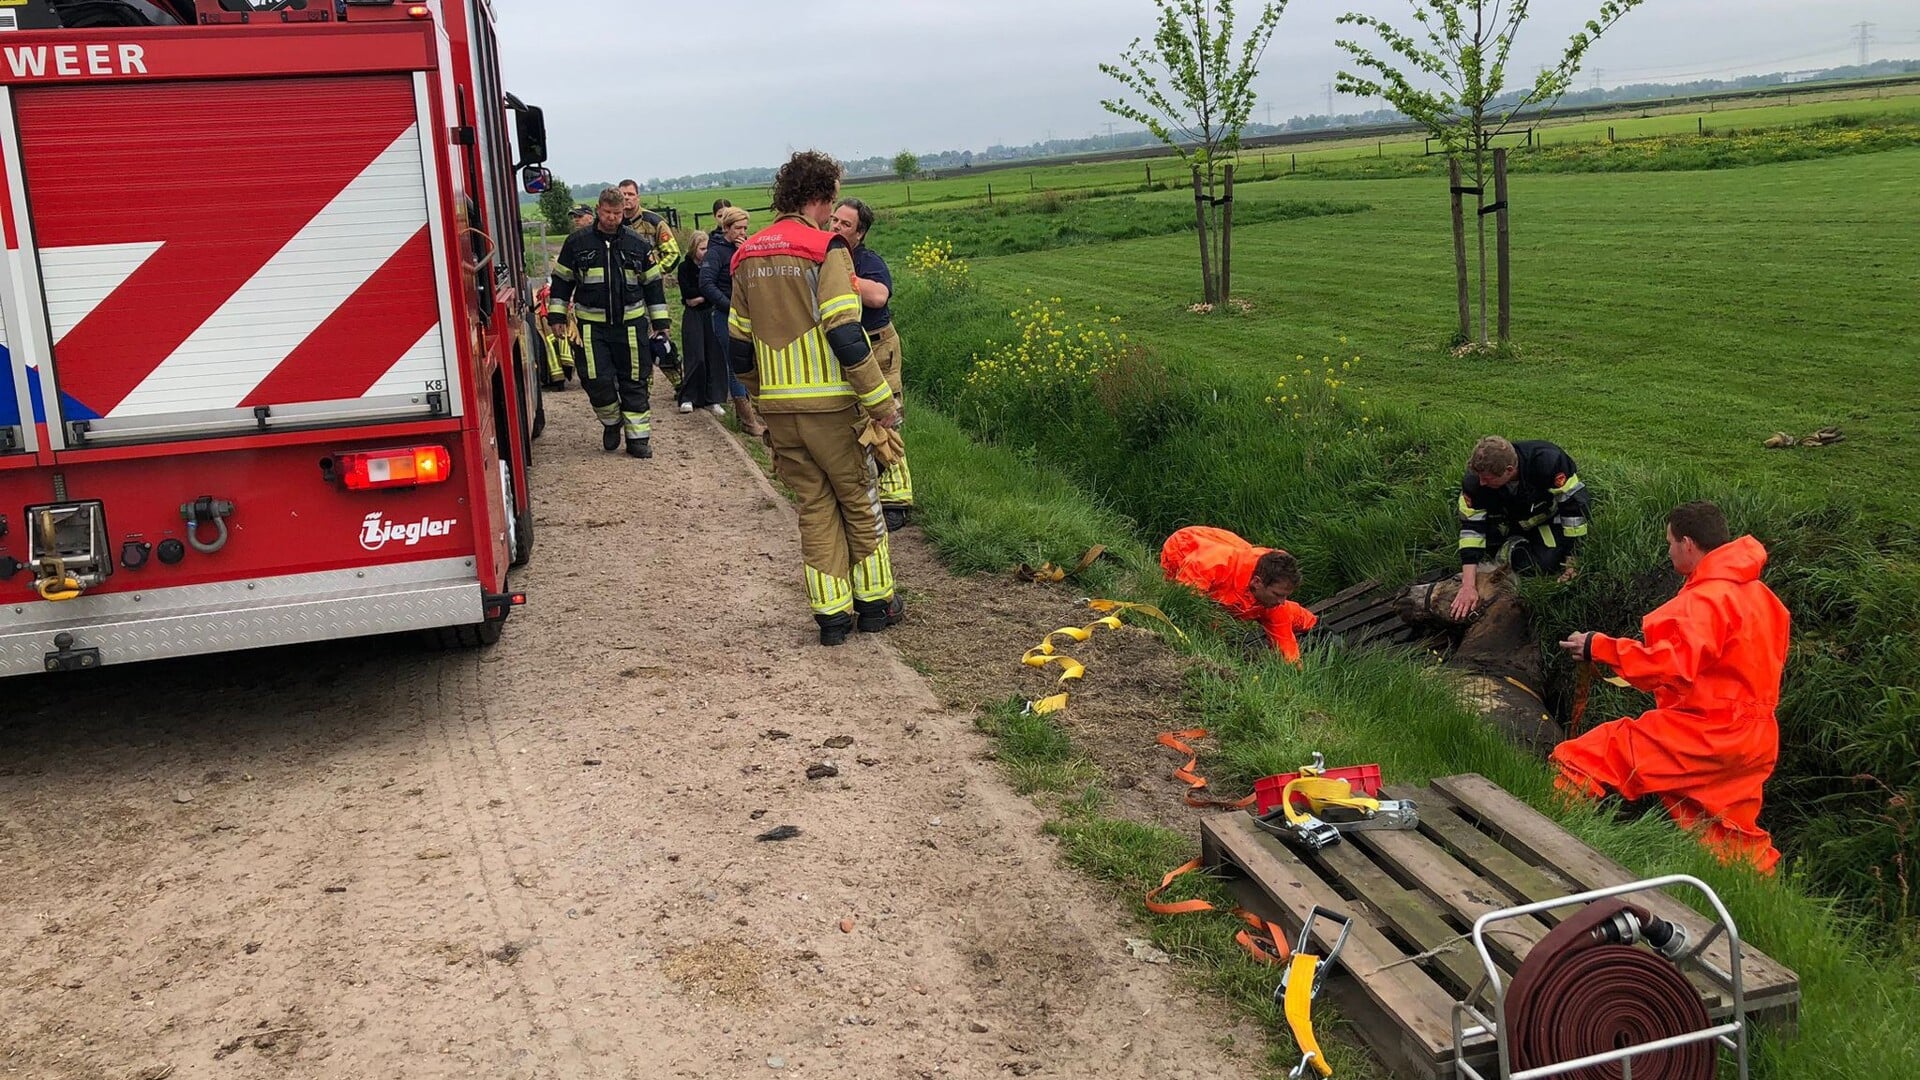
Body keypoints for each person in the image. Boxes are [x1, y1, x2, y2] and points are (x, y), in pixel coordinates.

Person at [1552, 501, 1790, 873]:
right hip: (1754, 739)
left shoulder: (1704, 600)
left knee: (1584, 758)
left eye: (1670, 543)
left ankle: (1543, 842)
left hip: (1705, 731)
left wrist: (1598, 646)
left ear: (1689, 545)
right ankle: (1757, 907)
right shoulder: (1764, 599)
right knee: (1730, 836)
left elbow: (1670, 665)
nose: (1668, 551)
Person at [728, 150, 902, 646]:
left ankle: (830, 618)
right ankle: (875, 607)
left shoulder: (746, 254)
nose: (833, 216)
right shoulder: (824, 248)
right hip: (833, 410)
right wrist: (879, 404)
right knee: (860, 501)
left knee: (814, 508)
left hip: (781, 413)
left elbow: (738, 344)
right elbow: (846, 334)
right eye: (831, 204)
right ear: (821, 198)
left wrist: (763, 398)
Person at [548, 187, 672, 459]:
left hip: (631, 325)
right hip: (591, 329)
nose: (613, 218)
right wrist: (556, 316)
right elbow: (561, 281)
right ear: (598, 209)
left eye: (618, 213)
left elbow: (653, 285)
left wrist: (660, 322)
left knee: (635, 381)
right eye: (608, 213)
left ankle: (638, 440)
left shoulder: (637, 244)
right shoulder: (577, 242)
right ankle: (611, 422)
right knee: (595, 380)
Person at [829, 196, 912, 533]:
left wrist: (841, 280)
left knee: (886, 418)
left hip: (877, 347)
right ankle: (868, 489)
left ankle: (897, 501)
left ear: (860, 233)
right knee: (857, 421)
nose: (836, 226)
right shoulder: (828, 256)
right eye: (834, 220)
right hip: (848, 349)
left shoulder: (866, 260)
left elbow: (878, 296)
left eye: (845, 224)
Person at [1450, 435, 1591, 621]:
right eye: (1479, 477)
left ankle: (1523, 550)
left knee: (1549, 564)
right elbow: (1471, 530)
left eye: (1487, 479)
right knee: (1525, 564)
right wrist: (1468, 586)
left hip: (1545, 519)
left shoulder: (1548, 461)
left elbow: (1574, 510)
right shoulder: (1475, 482)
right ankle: (1507, 548)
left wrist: (1573, 560)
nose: (1482, 483)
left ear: (1509, 470)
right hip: (1504, 526)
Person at [1160, 526, 1318, 663]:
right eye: (1277, 594)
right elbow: (1185, 603)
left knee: (1284, 613)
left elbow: (1287, 649)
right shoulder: (1210, 565)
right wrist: (1213, 632)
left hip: (1235, 563)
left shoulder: (1273, 598)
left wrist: (1295, 669)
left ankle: (1314, 622)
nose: (1281, 601)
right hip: (1185, 547)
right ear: (1257, 582)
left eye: (1285, 596)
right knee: (1208, 622)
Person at [700, 206, 764, 436]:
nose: (742, 232)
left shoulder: (744, 248)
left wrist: (745, 252)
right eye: (738, 228)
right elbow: (706, 284)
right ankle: (747, 420)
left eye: (745, 228)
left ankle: (756, 413)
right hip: (726, 317)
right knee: (736, 365)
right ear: (726, 227)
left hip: (750, 315)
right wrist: (729, 304)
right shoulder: (715, 252)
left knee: (754, 362)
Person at [674, 230, 729, 415]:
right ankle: (689, 396)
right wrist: (704, 294)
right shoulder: (685, 268)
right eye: (702, 248)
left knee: (714, 355)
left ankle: (713, 399)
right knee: (695, 355)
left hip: (710, 312)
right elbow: (688, 294)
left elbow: (715, 289)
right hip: (693, 315)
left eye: (708, 248)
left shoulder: (713, 265)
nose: (706, 252)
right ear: (693, 248)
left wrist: (702, 296)